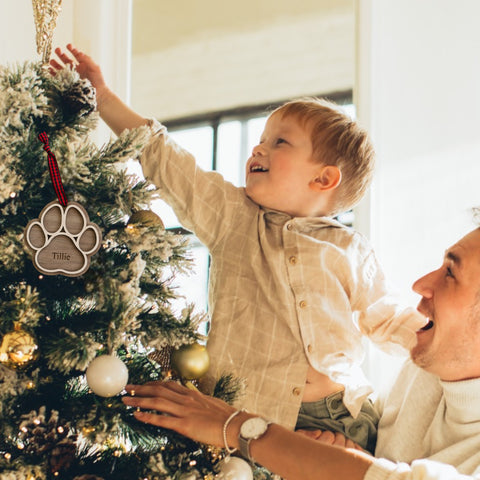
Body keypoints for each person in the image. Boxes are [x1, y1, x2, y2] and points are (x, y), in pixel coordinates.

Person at [51, 45, 426, 453]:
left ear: (323, 179)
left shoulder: (348, 248)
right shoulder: (234, 218)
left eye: (280, 142)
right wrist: (103, 97)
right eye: (261, 139)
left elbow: (386, 318)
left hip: (336, 415)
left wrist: (442, 340)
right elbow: (167, 160)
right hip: (244, 412)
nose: (257, 148)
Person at [122, 224, 480, 480]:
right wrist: (349, 454)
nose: (421, 285)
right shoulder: (427, 367)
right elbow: (381, 464)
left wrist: (235, 426)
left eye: (450, 273)